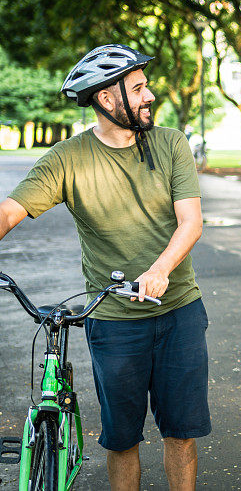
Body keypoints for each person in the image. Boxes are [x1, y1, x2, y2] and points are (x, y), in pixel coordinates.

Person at [0, 44, 210, 491]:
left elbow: (191, 222)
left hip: (179, 313)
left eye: (146, 85)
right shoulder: (66, 159)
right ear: (107, 99)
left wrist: (160, 270)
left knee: (181, 434)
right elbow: (9, 212)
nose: (149, 94)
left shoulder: (171, 142)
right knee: (121, 441)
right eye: (137, 89)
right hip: (114, 323)